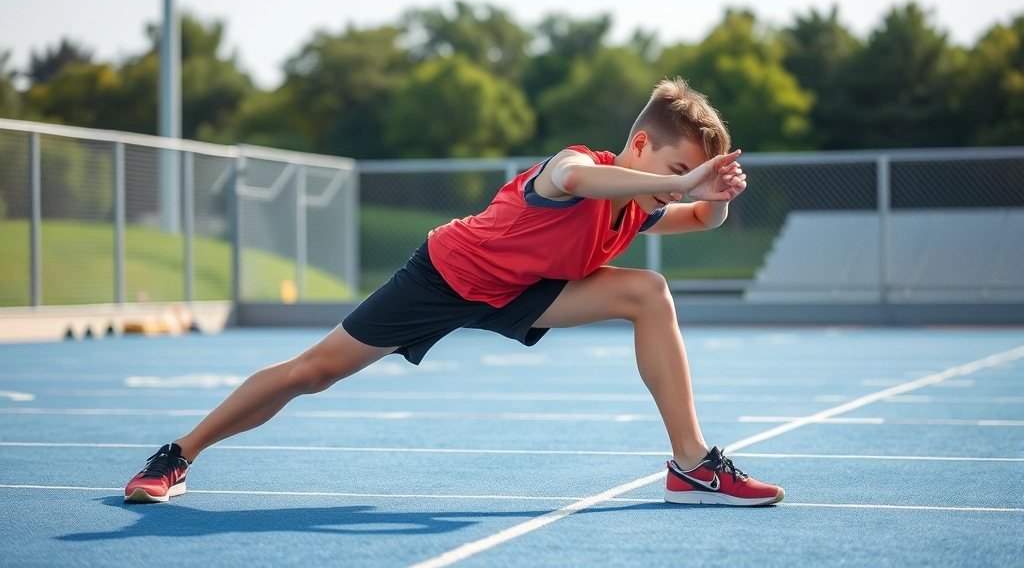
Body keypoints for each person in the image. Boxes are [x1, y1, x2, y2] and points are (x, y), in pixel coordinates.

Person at [125, 78, 784, 507]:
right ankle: (178, 454)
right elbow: (578, 183)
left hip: (523, 293)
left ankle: (692, 465)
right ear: (638, 144)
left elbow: (700, 218)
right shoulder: (577, 166)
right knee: (313, 373)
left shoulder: (642, 201)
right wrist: (675, 183)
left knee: (648, 291)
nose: (680, 184)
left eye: (689, 174)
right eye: (677, 168)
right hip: (444, 277)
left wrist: (714, 196)